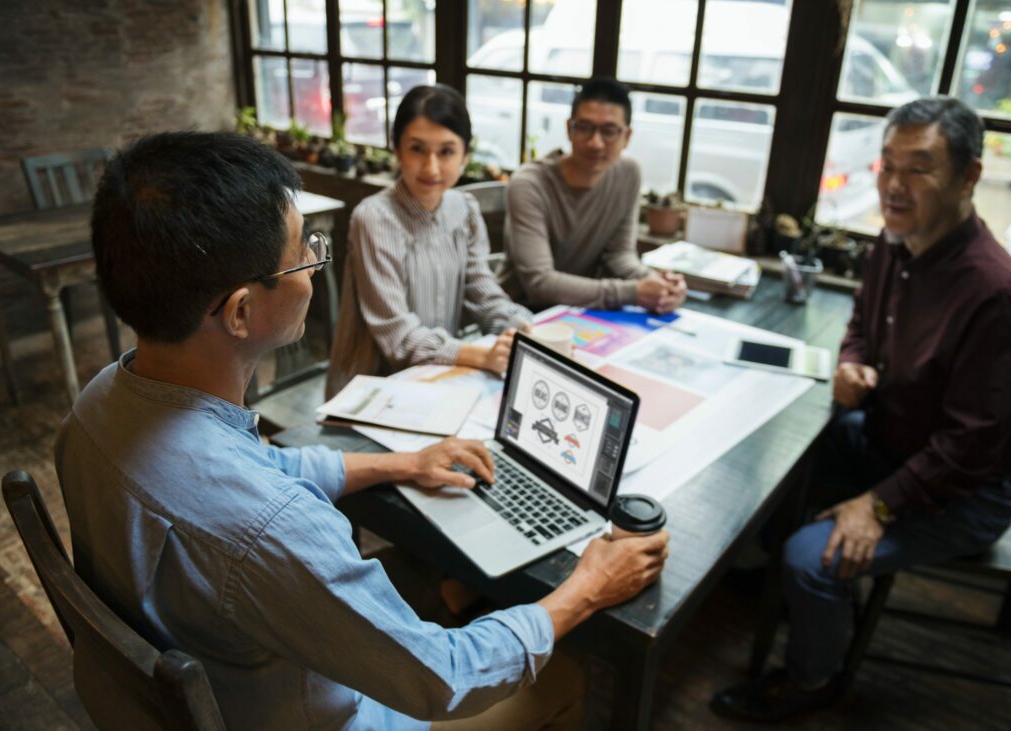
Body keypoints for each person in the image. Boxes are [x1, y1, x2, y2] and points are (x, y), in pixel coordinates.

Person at [57, 130, 669, 730]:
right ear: (241, 311)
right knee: (566, 679)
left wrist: (400, 463)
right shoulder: (273, 531)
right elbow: (446, 678)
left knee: (440, 587)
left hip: (206, 686)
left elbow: (257, 469)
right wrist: (589, 587)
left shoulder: (98, 403)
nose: (314, 268)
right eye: (304, 253)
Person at [711, 97, 1011, 721]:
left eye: (920, 168)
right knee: (772, 436)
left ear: (969, 176)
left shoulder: (993, 290)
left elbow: (971, 445)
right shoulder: (893, 243)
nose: (895, 186)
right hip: (891, 439)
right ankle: (764, 577)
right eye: (887, 165)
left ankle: (812, 678)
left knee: (810, 560)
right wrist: (852, 362)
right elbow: (860, 328)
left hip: (963, 491)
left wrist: (877, 505)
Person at [327, 84, 532, 398]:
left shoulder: (464, 209)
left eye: (447, 151)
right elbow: (398, 335)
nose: (431, 167)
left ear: (465, 154)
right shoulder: (374, 218)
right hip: (371, 391)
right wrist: (480, 356)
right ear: (396, 149)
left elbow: (483, 292)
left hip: (437, 381)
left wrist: (522, 328)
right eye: (417, 149)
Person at [497, 78, 686, 313]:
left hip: (585, 311)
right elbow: (539, 283)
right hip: (523, 314)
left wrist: (658, 284)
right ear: (569, 129)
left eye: (609, 132)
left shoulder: (628, 174)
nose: (595, 143)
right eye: (585, 128)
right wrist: (634, 292)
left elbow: (620, 255)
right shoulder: (529, 183)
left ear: (626, 137)